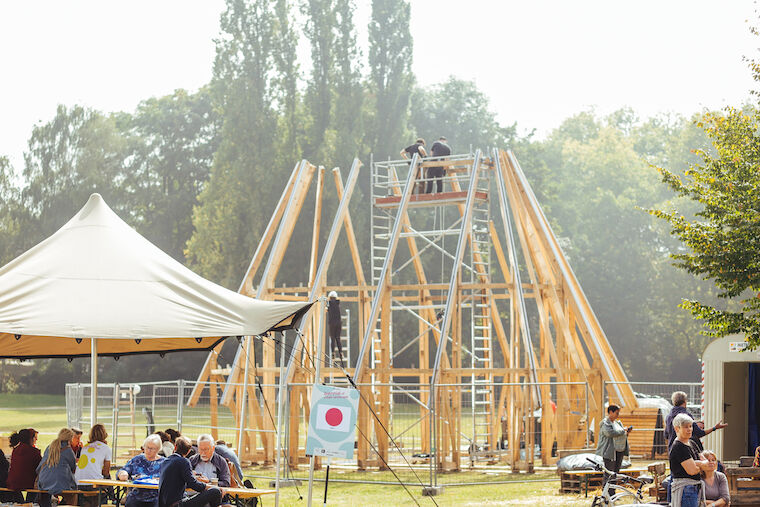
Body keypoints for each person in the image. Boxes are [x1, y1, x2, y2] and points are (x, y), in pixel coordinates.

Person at [158, 436, 223, 507]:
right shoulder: (184, 461)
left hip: (164, 503)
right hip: (177, 504)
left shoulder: (165, 461)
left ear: (175, 447)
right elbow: (194, 485)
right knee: (215, 491)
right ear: (189, 451)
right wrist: (210, 486)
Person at [669, 412, 710, 507]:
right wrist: (700, 465)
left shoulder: (692, 443)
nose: (689, 429)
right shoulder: (678, 446)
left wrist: (696, 463)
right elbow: (692, 470)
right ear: (677, 428)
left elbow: (707, 464)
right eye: (686, 427)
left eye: (690, 426)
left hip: (694, 488)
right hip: (686, 490)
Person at [117, 434, 165, 507]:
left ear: (158, 449)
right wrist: (122, 473)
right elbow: (123, 470)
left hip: (155, 498)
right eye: (147, 447)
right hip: (136, 497)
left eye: (152, 448)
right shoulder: (137, 459)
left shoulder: (164, 463)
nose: (148, 451)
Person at [36, 428, 77, 507]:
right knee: (73, 494)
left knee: (45, 494)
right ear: (70, 439)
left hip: (44, 480)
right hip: (60, 483)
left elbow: (40, 466)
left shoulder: (50, 447)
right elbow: (73, 467)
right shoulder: (68, 450)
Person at [74, 423, 112, 507]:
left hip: (79, 483)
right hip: (94, 485)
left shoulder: (85, 447)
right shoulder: (106, 448)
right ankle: (113, 499)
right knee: (107, 481)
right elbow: (106, 471)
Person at [595, 405, 631, 476]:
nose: (618, 415)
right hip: (609, 453)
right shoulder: (605, 423)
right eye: (617, 413)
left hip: (618, 451)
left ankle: (613, 487)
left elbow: (620, 435)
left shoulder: (617, 423)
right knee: (609, 473)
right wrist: (623, 430)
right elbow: (610, 433)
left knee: (615, 474)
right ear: (611, 412)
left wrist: (626, 433)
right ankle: (606, 487)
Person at [6, 428, 41, 502]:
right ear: (30, 439)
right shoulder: (34, 452)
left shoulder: (15, 450)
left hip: (12, 483)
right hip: (27, 483)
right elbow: (40, 467)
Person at [327, 291, 344, 365]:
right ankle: (341, 352)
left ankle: (333, 353)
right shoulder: (338, 303)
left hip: (332, 323)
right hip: (338, 323)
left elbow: (327, 309)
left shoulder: (329, 304)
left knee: (332, 338)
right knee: (338, 338)